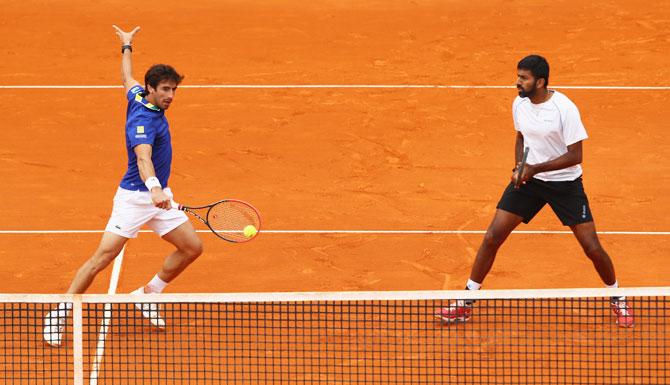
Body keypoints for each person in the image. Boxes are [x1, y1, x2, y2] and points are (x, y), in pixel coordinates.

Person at [434, 55, 634, 328]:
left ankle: (618, 297)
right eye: (518, 76)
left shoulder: (565, 109)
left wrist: (534, 168)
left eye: (524, 78)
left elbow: (576, 155)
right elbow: (520, 136)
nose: (518, 82)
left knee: (592, 247)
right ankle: (466, 302)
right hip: (530, 182)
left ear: (540, 82)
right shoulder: (520, 103)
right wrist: (520, 166)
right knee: (493, 236)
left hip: (565, 184)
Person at [43, 25, 204, 346]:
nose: (171, 96)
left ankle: (148, 294)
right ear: (152, 88)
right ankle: (58, 313)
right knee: (101, 259)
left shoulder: (138, 95)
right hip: (136, 197)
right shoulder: (144, 121)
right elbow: (143, 158)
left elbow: (126, 79)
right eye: (166, 90)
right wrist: (155, 188)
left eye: (174, 90)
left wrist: (126, 47)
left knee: (192, 248)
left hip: (160, 197)